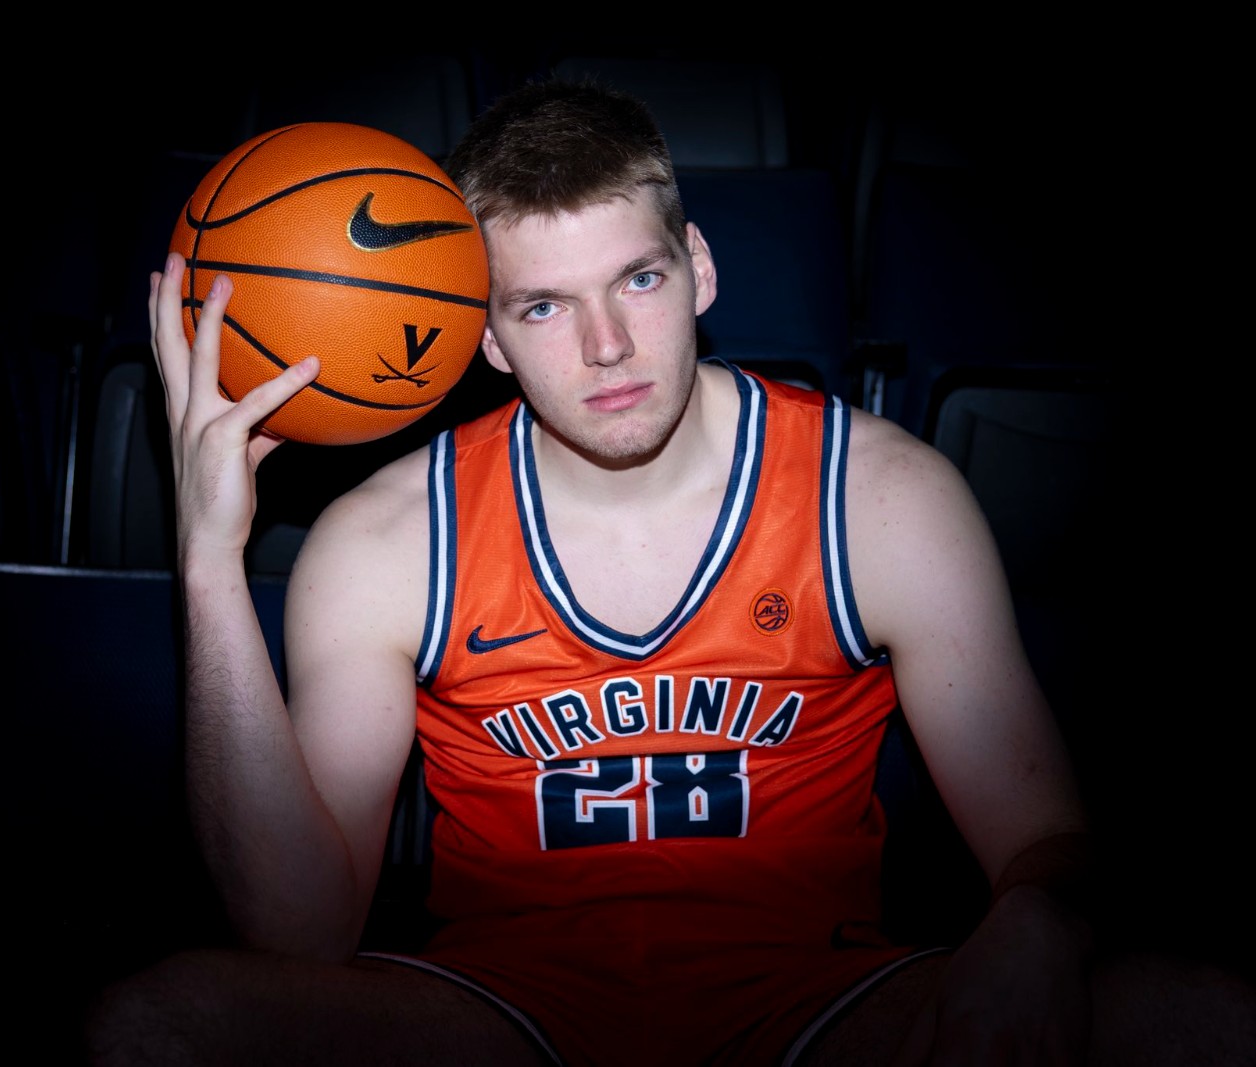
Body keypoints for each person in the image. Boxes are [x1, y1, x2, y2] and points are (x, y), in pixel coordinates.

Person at [84, 79, 1255, 1065]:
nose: (606, 347)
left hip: (822, 999)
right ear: (485, 336)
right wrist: (209, 557)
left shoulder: (879, 497)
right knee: (155, 1023)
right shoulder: (388, 538)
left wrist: (1039, 918)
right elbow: (298, 933)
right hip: (500, 1007)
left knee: (1202, 1017)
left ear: (696, 267)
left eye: (636, 280)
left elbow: (1043, 835)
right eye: (544, 305)